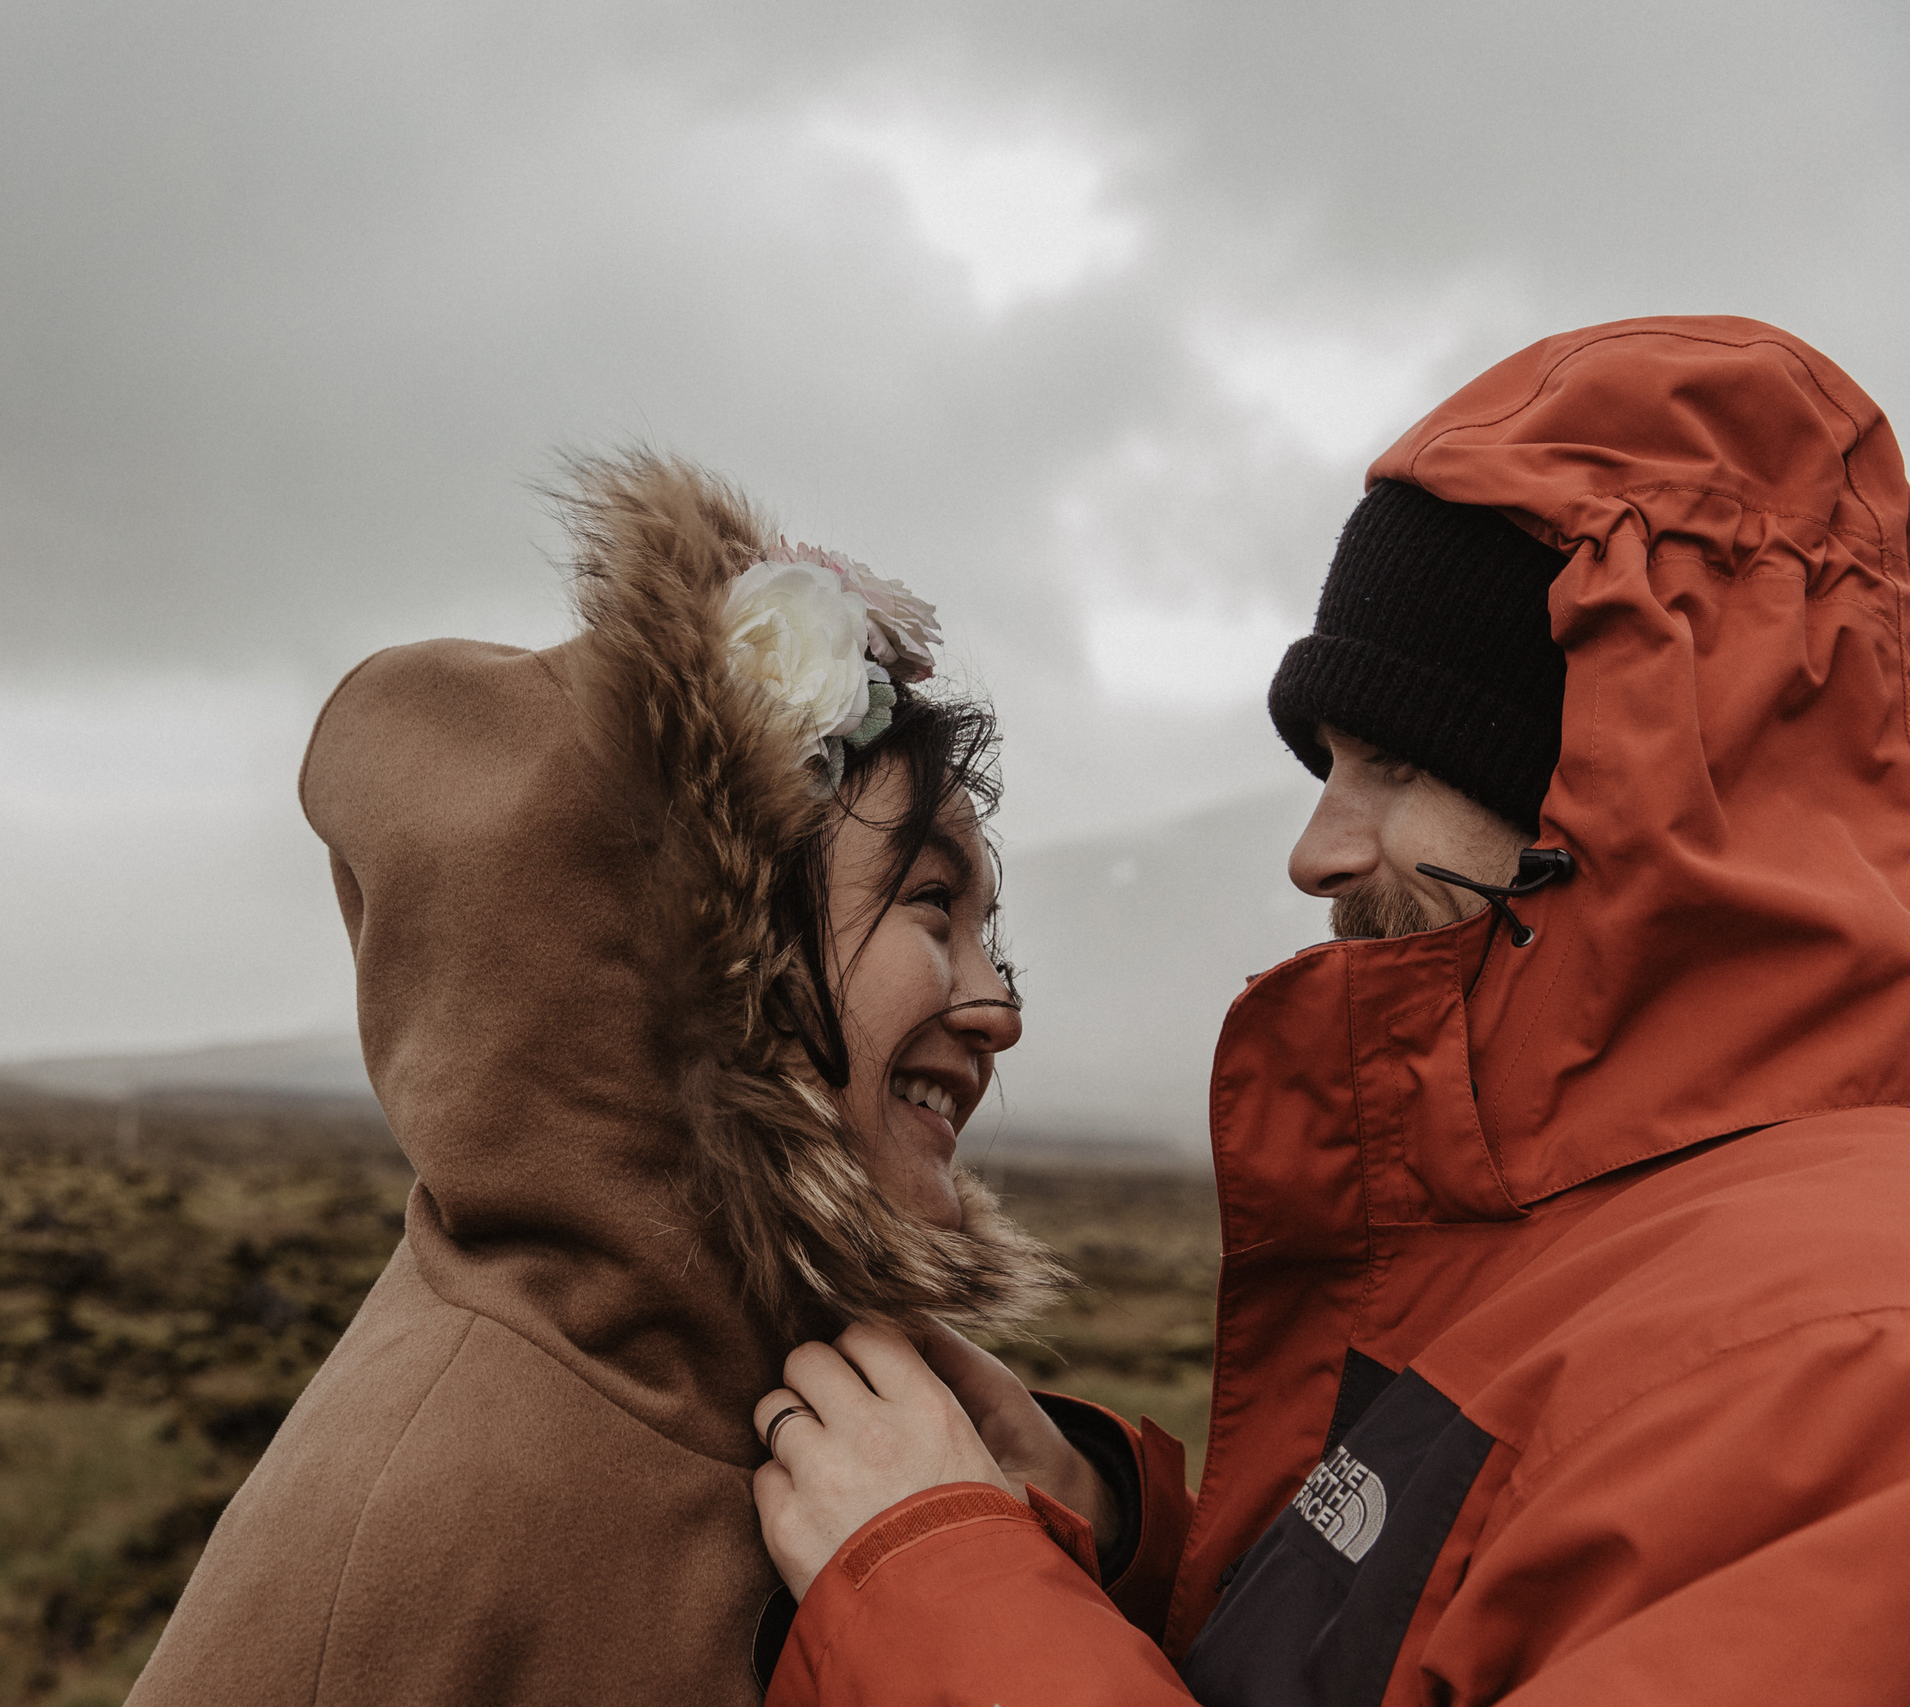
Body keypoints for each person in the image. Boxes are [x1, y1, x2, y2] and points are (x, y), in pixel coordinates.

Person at [749, 315, 1910, 1704]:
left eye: (1399, 763)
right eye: (1325, 763)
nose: (1317, 848)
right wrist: (1110, 1538)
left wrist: (939, 1594)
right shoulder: (1581, 1238)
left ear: (1643, 793)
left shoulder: (1850, 1370)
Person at [126, 454, 1074, 1704]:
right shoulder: (433, 1518)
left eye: (986, 931)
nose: (997, 1008)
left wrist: (1075, 1520)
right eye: (932, 907)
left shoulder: (881, 1416)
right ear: (705, 961)